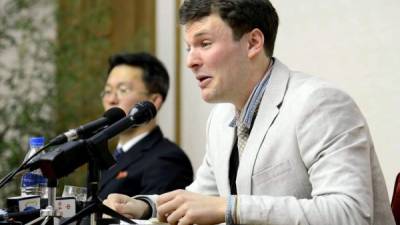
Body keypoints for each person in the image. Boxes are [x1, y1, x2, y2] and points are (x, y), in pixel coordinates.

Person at [103, 1, 396, 224]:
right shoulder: (220, 118)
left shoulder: (319, 103)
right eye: (188, 47)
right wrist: (144, 207)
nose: (191, 61)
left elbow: (351, 213)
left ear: (253, 42)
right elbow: (201, 196)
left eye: (204, 44)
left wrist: (231, 208)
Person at [98, 52, 193, 201]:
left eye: (123, 90)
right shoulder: (106, 156)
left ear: (153, 101)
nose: (111, 99)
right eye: (108, 91)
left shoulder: (168, 160)